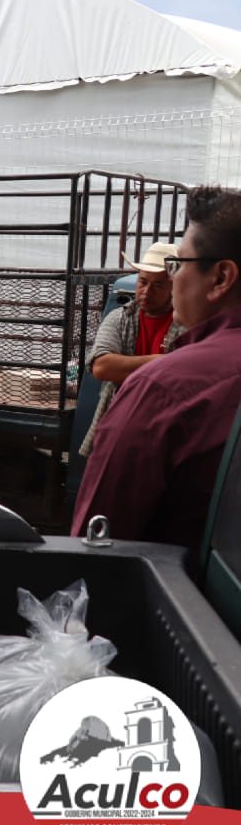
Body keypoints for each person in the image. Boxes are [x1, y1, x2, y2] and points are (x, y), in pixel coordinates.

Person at [74, 185, 241, 572]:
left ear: (220, 278)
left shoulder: (165, 388)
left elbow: (99, 540)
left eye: (175, 266)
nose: (154, 286)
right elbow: (101, 365)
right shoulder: (123, 318)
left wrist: (168, 365)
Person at [79, 242, 186, 456]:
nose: (146, 291)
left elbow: (188, 374)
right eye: (143, 282)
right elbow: (101, 366)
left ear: (173, 287)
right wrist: (164, 362)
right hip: (118, 420)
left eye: (157, 286)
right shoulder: (120, 318)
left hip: (165, 429)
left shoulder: (186, 324)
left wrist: (128, 367)